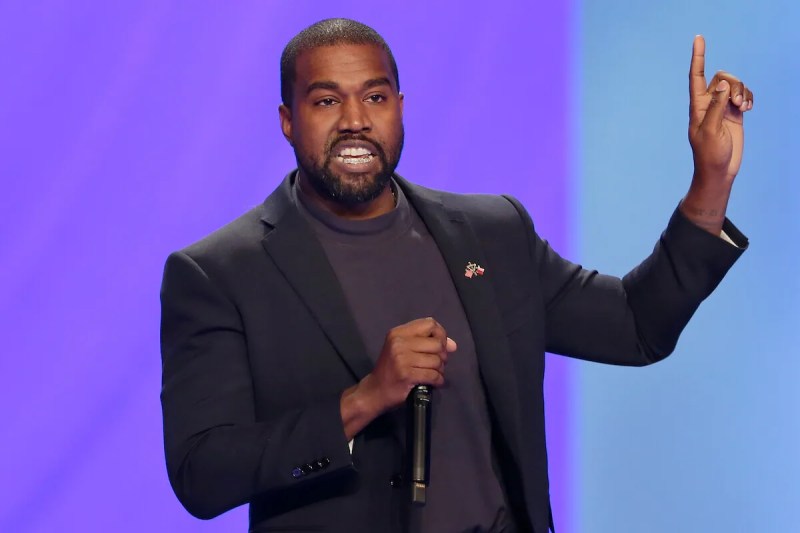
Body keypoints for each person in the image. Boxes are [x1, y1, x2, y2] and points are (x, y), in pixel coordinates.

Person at [160, 18, 752, 533]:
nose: (355, 121)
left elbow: (634, 325)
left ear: (399, 105)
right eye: (325, 101)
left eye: (375, 97)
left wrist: (710, 183)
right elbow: (203, 475)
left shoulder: (491, 232)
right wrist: (362, 401)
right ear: (288, 121)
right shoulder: (219, 274)